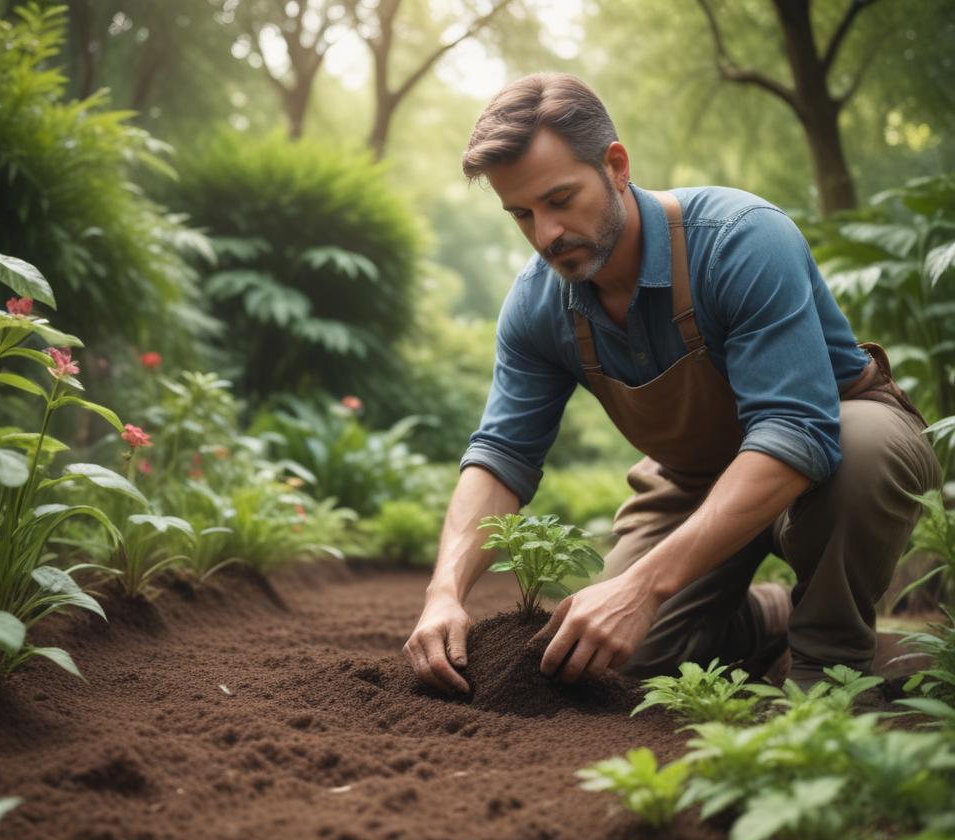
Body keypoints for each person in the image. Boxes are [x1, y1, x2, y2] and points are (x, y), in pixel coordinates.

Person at [403, 72, 941, 696]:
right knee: (609, 658)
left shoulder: (741, 239)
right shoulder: (537, 306)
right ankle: (768, 619)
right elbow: (501, 456)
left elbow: (796, 429)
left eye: (559, 199)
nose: (545, 234)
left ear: (617, 165)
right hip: (694, 477)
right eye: (521, 214)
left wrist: (643, 586)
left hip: (838, 437)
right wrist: (444, 592)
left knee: (862, 449)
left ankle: (827, 672)